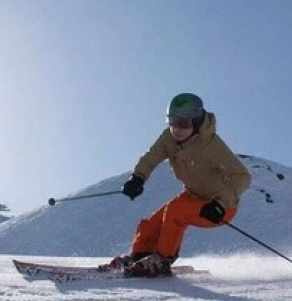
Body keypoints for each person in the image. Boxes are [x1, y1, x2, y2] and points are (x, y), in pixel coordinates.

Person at [102, 92, 251, 276]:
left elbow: (242, 176)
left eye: (183, 123)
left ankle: (162, 260)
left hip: (220, 207)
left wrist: (220, 203)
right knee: (153, 222)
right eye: (172, 122)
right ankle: (140, 255)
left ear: (196, 122)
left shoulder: (212, 146)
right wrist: (138, 178)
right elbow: (151, 156)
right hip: (192, 196)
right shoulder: (169, 138)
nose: (177, 129)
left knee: (175, 212)